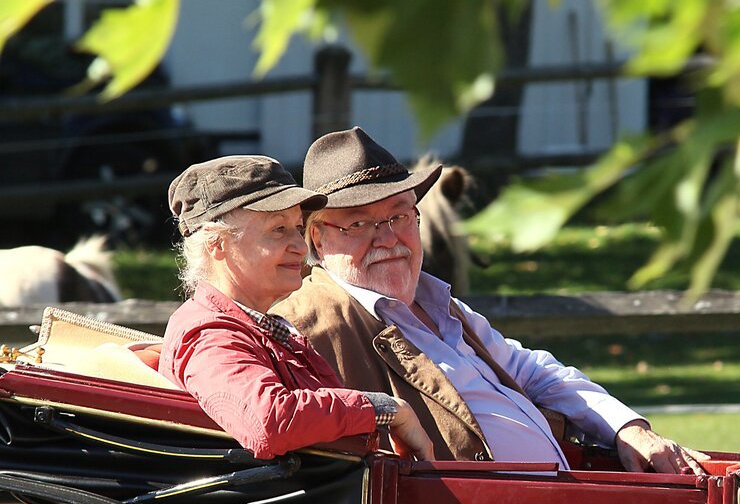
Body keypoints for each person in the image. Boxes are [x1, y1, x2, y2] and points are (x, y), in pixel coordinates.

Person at [272, 127, 708, 474]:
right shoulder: (306, 322)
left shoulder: (444, 306)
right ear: (318, 238)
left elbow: (535, 372)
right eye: (359, 223)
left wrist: (628, 428)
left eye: (399, 215)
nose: (388, 238)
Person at [158, 155, 434, 461]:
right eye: (278, 230)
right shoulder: (208, 333)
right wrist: (386, 410)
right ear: (217, 244)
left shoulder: (264, 328)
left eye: (298, 227)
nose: (301, 247)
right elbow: (269, 421)